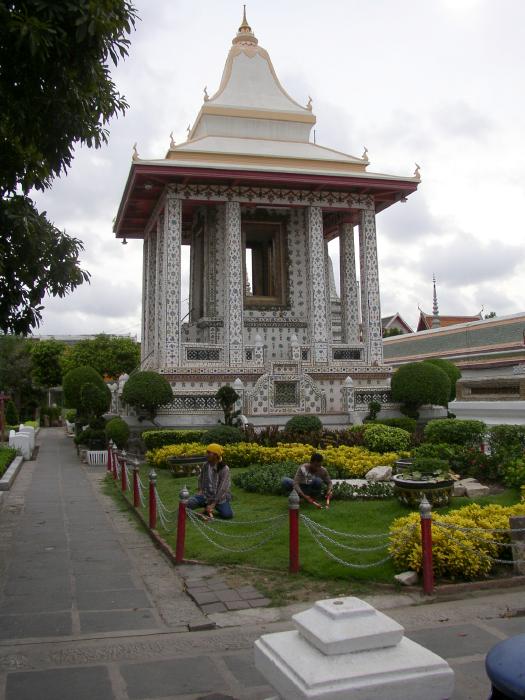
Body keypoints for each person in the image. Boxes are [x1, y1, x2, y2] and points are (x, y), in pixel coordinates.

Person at [187, 443, 233, 519]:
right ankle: (206, 508)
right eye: (206, 452)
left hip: (219, 498)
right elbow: (201, 478)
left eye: (208, 452)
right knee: (186, 504)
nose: (206, 454)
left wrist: (213, 504)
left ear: (216, 455)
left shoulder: (224, 469)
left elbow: (223, 489)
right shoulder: (205, 465)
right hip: (205, 496)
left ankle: (208, 509)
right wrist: (200, 490)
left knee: (227, 515)